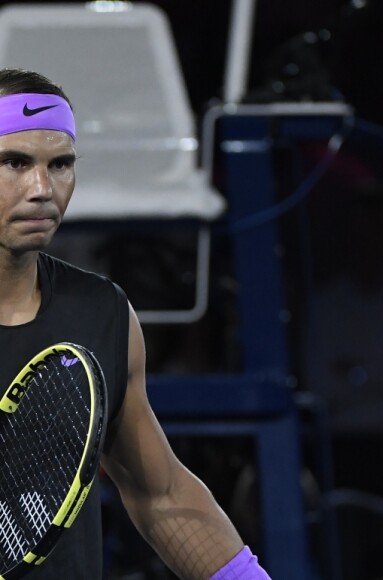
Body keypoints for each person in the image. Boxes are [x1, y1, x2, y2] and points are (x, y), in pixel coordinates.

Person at [0, 67, 270, 579]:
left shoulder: (101, 312)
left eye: (60, 164)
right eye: (15, 162)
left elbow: (159, 492)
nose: (42, 188)